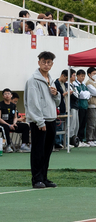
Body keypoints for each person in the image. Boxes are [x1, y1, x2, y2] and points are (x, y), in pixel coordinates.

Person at [24, 51, 61, 188]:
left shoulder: (51, 80)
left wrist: (56, 94)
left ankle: (44, 177)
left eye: (49, 62)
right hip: (40, 120)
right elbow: (33, 103)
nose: (46, 65)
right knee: (38, 150)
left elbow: (57, 102)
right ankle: (37, 179)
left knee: (47, 150)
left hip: (51, 118)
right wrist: (39, 121)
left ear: (52, 64)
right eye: (44, 62)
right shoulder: (33, 80)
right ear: (39, 62)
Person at [84, 68, 96, 146]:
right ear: (89, 74)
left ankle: (95, 138)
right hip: (92, 105)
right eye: (94, 73)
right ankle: (89, 139)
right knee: (91, 123)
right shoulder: (88, 83)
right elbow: (95, 92)